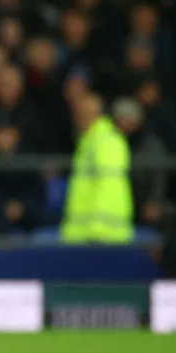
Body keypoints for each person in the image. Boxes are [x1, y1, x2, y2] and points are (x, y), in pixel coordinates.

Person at [61, 93, 133, 243]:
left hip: (103, 235)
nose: (76, 118)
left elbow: (109, 185)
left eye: (80, 113)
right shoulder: (87, 141)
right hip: (84, 233)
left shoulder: (107, 141)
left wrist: (97, 230)